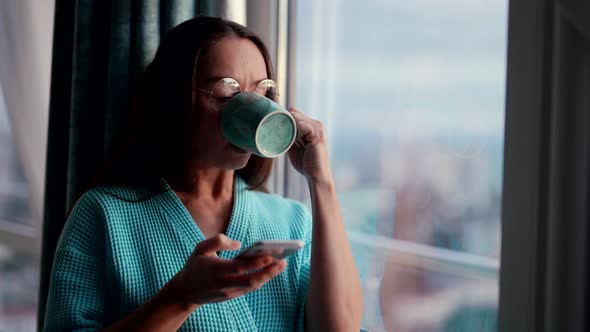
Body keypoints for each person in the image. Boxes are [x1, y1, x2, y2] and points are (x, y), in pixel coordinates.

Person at [43, 16, 363, 331]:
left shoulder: (291, 221)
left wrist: (321, 181)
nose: (252, 111)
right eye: (226, 95)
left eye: (263, 95)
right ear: (173, 99)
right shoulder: (104, 214)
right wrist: (181, 297)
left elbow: (340, 327)